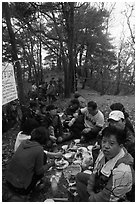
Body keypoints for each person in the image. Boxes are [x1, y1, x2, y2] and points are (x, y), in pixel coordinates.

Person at [76, 126, 134, 202]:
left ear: (121, 146)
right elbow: (95, 170)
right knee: (79, 177)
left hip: (114, 198)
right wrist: (90, 190)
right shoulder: (104, 153)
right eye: (104, 141)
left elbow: (108, 196)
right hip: (102, 183)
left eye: (111, 143)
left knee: (85, 195)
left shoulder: (123, 171)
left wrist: (92, 198)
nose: (106, 146)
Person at [6, 127, 62, 195]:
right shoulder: (38, 149)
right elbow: (39, 171)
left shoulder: (24, 143)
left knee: (42, 156)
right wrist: (51, 163)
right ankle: (35, 187)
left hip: (8, 182)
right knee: (42, 161)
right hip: (20, 188)